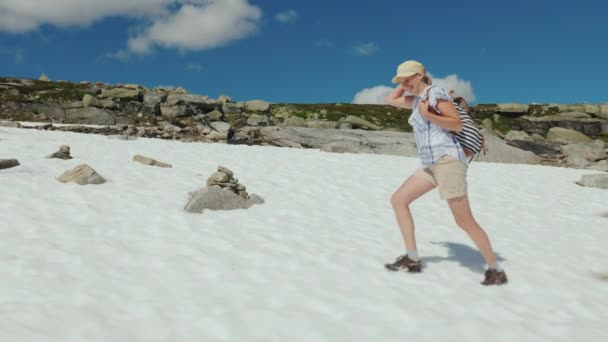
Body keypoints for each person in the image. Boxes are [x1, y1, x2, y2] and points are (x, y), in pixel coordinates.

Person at [383, 60, 507, 286]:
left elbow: (456, 124)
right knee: (399, 200)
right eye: (401, 79)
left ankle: (495, 269)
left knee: (464, 221)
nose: (404, 83)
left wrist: (429, 114)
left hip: (448, 162)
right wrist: (405, 83)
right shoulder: (417, 100)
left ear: (420, 75)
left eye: (409, 78)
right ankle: (412, 258)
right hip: (431, 164)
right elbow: (390, 100)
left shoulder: (435, 94)